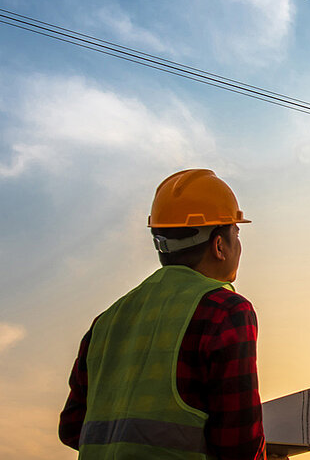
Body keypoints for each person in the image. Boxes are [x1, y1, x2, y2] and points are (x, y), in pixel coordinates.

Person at [60, 168, 269, 459]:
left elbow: (72, 428)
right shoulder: (226, 312)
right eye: (236, 231)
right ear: (219, 245)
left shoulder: (106, 322)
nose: (238, 242)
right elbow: (239, 446)